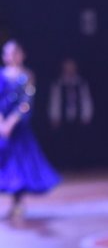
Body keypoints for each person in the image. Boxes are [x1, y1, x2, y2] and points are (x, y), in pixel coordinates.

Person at [0, 39, 60, 222]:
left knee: (20, 164)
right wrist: (2, 123)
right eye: (8, 53)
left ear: (22, 55)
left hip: (19, 128)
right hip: (2, 126)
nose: (11, 56)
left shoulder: (27, 76)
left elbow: (26, 102)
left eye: (15, 53)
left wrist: (11, 122)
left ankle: (18, 202)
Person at [48, 58, 94, 169]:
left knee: (79, 142)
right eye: (67, 68)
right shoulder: (58, 84)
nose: (69, 70)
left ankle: (79, 165)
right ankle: (64, 164)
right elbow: (54, 101)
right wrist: (54, 116)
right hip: (63, 117)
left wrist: (87, 115)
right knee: (63, 142)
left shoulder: (81, 83)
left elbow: (86, 100)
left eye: (71, 68)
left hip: (78, 116)